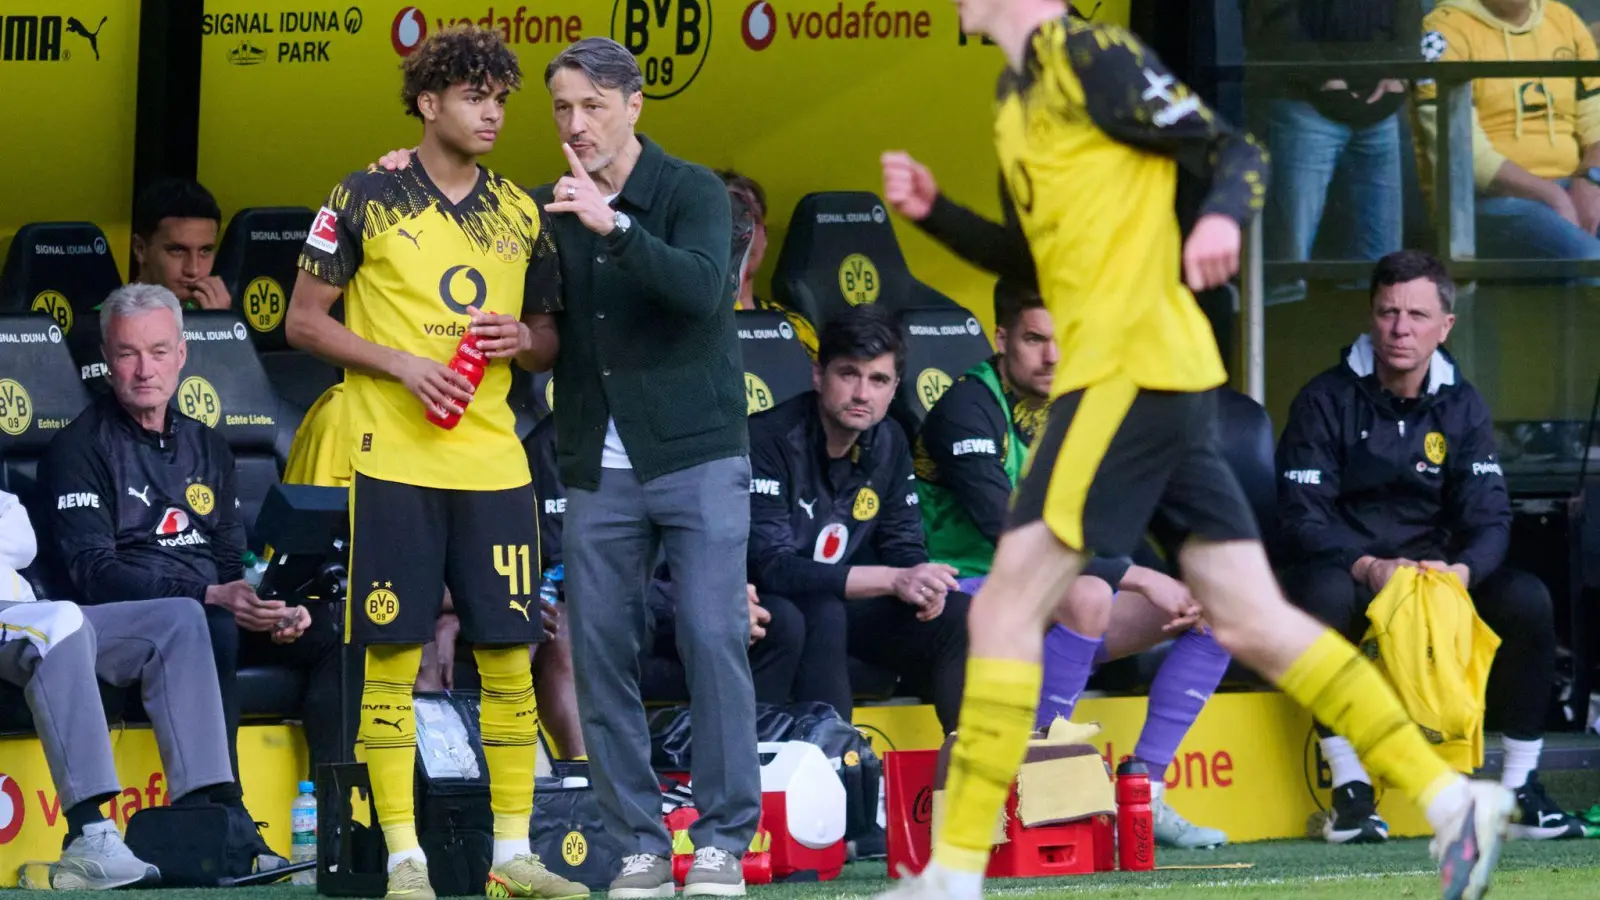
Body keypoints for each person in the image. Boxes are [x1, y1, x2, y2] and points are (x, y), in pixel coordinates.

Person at [876, 6, 1514, 900]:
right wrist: (936, 212)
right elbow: (1034, 256)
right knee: (1253, 620)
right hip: (1151, 380)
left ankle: (953, 871)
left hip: (1132, 373)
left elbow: (1236, 154)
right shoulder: (1018, 93)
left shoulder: (1091, 56)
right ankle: (1452, 801)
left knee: (1010, 606)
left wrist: (1217, 221)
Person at [283, 24, 582, 900]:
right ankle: (404, 860)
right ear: (427, 102)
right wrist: (403, 364)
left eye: (500, 99)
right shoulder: (364, 194)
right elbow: (303, 321)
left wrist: (526, 339)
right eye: (473, 97)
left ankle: (514, 852)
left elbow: (549, 340)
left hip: (494, 466)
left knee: (511, 657)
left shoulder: (521, 212)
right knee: (392, 659)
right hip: (393, 463)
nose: (493, 114)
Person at [1276, 249, 1585, 843]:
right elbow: (1300, 515)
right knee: (1319, 594)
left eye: (1417, 315)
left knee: (1527, 599)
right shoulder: (1323, 399)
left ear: (1445, 326)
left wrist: (1461, 572)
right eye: (1388, 312)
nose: (1400, 329)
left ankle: (1519, 789)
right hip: (1353, 570)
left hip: (1436, 575)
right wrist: (1368, 566)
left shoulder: (1462, 403)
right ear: (1371, 316)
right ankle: (1350, 790)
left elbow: (1491, 516)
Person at [913, 280, 1229, 849]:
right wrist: (1141, 578)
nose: (1053, 357)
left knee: (1218, 609)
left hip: (1046, 594)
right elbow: (1011, 533)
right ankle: (1040, 778)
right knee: (1087, 594)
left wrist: (1174, 580)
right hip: (959, 593)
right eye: (1035, 340)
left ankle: (1145, 793)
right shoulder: (967, 406)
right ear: (1002, 338)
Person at [38, 283, 341, 785]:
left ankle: (337, 811)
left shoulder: (208, 445)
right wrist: (207, 596)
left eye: (158, 352)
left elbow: (231, 562)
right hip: (136, 626)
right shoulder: (79, 449)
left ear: (181, 355)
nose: (145, 370)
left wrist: (270, 607)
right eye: (128, 354)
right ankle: (224, 809)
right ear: (107, 360)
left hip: (214, 610)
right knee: (204, 623)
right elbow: (94, 574)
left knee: (330, 630)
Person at [0, 490, 283, 889]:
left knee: (180, 619)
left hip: (26, 610)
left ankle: (204, 822)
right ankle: (86, 833)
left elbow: (21, 536)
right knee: (60, 621)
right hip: (27, 617)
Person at [746, 305, 970, 731]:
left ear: (894, 388)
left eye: (878, 379)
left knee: (960, 615)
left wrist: (921, 583)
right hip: (771, 603)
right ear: (819, 375)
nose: (863, 393)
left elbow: (903, 546)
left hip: (846, 604)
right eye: (849, 374)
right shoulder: (768, 439)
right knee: (821, 610)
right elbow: (772, 566)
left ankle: (966, 759)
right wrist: (892, 579)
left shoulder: (890, 440)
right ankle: (835, 757)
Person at [1248, 0, 1417, 303]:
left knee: (1382, 274)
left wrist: (1400, 69)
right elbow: (1272, 16)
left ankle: (1374, 333)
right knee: (1288, 270)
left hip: (1380, 104)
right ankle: (1282, 331)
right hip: (1303, 99)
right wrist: (1323, 76)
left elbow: (1409, 12)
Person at [1415, 0, 1600, 267]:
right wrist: (1552, 195)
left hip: (1574, 183)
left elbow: (1596, 118)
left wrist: (1591, 179)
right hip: (1488, 201)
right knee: (1591, 259)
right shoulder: (1445, 28)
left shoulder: (1563, 19)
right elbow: (1460, 147)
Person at [716, 169, 819, 358]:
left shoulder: (795, 329)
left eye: (751, 219)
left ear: (765, 237)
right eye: (731, 217)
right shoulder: (686, 327)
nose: (744, 233)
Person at [130, 178, 233, 311]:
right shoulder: (110, 319)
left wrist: (221, 320)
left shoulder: (218, 311)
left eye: (205, 251)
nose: (193, 270)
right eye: (178, 250)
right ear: (140, 249)